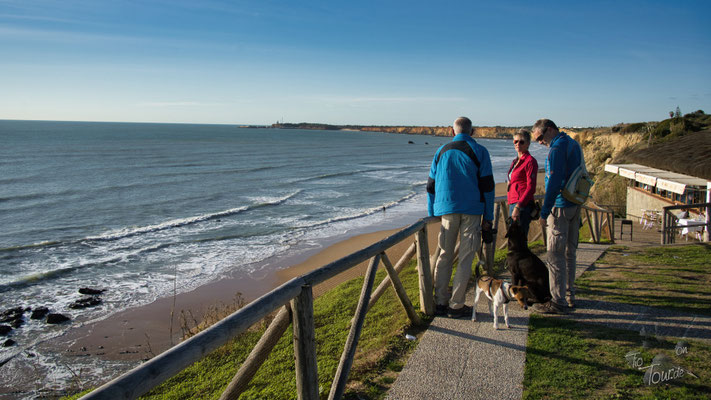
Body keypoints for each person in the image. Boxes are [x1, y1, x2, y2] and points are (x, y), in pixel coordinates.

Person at [427, 117, 495, 318]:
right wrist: (488, 217)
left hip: (447, 209)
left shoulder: (441, 151)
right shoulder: (480, 151)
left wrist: (433, 213)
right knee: (465, 257)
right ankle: (456, 305)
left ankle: (440, 302)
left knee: (445, 255)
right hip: (472, 209)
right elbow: (488, 187)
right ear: (472, 132)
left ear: (452, 131)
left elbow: (430, 186)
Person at [531, 118, 584, 314]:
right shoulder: (573, 144)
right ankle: (570, 296)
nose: (539, 142)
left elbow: (554, 181)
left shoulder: (557, 148)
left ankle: (557, 301)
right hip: (575, 203)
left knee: (554, 254)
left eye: (540, 137)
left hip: (560, 206)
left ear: (550, 130)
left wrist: (545, 211)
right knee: (570, 252)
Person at [507, 128, 538, 239]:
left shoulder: (530, 161)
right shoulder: (516, 161)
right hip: (513, 202)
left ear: (528, 144)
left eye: (521, 142)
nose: (518, 144)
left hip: (521, 205)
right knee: (514, 238)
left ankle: (521, 257)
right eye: (515, 141)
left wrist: (518, 207)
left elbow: (531, 187)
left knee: (518, 240)